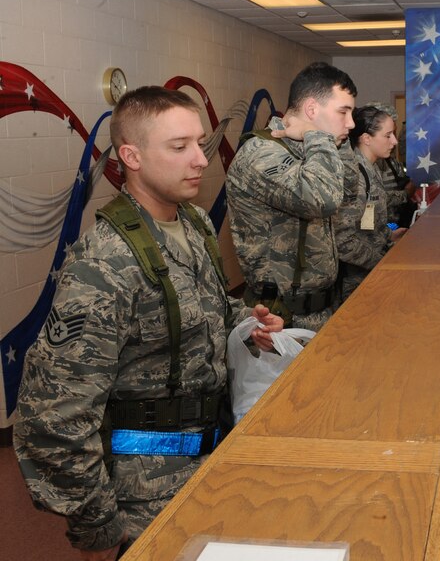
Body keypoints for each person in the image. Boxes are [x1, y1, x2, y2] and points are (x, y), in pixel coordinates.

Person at [14, 86, 284, 560]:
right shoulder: (104, 264)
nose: (200, 159)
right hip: (144, 496)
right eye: (179, 147)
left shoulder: (195, 224)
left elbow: (211, 310)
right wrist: (98, 527)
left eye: (200, 143)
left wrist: (248, 323)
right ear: (131, 157)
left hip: (212, 462)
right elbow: (54, 418)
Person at [226, 62, 357, 330]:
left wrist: (332, 141)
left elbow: (350, 189)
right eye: (343, 112)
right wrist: (317, 135)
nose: (351, 123)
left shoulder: (312, 148)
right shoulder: (260, 153)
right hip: (281, 320)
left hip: (320, 310)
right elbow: (323, 197)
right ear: (311, 109)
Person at [333, 105, 406, 302]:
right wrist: (380, 261)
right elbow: (343, 241)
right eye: (388, 135)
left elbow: (367, 222)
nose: (395, 141)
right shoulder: (355, 176)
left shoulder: (371, 169)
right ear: (366, 139)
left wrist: (389, 234)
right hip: (356, 282)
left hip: (370, 273)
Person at [367, 101, 416, 227]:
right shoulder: (362, 163)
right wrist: (406, 193)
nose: (394, 141)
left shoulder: (388, 159)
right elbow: (375, 199)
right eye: (388, 135)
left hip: (391, 225)